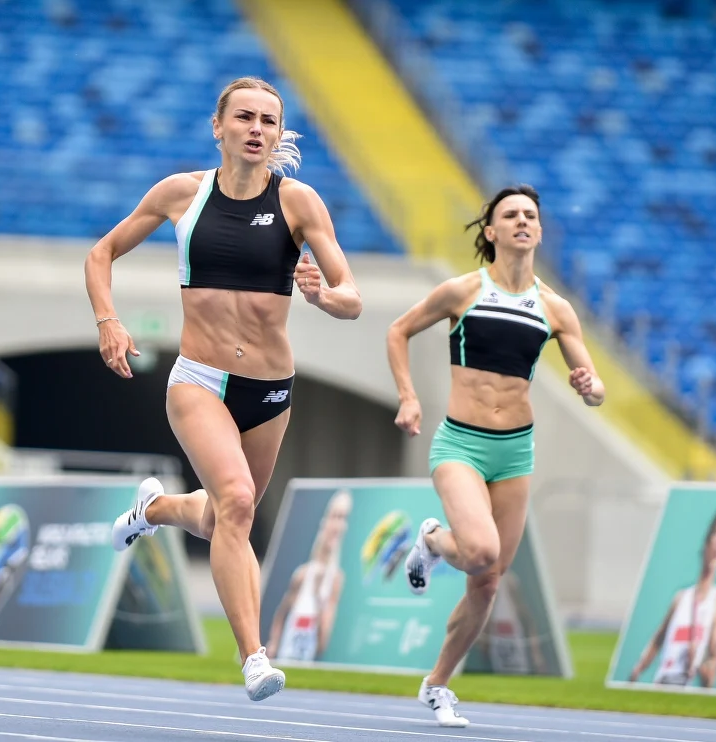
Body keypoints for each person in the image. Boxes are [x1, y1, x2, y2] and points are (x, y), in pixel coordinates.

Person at [89, 76, 362, 702]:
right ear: (219, 127)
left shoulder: (299, 203)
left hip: (269, 389)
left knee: (220, 519)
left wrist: (323, 295)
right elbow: (101, 254)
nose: (257, 129)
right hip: (199, 379)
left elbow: (352, 298)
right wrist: (109, 320)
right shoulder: (182, 194)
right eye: (245, 117)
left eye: (269, 119)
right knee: (237, 502)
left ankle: (153, 511)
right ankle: (254, 657)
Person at [386, 185, 605, 727]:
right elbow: (398, 331)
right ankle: (434, 540)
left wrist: (589, 384)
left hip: (515, 453)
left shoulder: (555, 308)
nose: (523, 221)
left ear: (539, 229)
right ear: (491, 231)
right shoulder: (462, 291)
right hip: (461, 442)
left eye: (531, 215)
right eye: (511, 215)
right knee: (480, 551)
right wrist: (410, 397)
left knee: (488, 580)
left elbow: (594, 386)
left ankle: (437, 685)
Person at [627, 498, 716, 687]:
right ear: (707, 538)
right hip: (662, 681)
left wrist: (708, 669)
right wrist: (638, 669)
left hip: (686, 684)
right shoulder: (682, 597)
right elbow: (658, 638)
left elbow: (714, 650)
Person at [266, 489, 352, 663]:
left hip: (307, 656)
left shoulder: (335, 579)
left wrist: (320, 605)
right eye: (334, 516)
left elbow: (322, 643)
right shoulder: (302, 574)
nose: (336, 525)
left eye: (342, 518)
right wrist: (274, 642)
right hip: (285, 653)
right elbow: (282, 613)